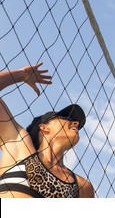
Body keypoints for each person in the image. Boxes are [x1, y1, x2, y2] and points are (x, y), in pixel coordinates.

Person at [0, 62, 94, 198]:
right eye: (65, 117)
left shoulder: (82, 186)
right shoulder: (18, 147)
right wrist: (22, 75)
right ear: (44, 127)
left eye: (77, 123)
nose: (76, 123)